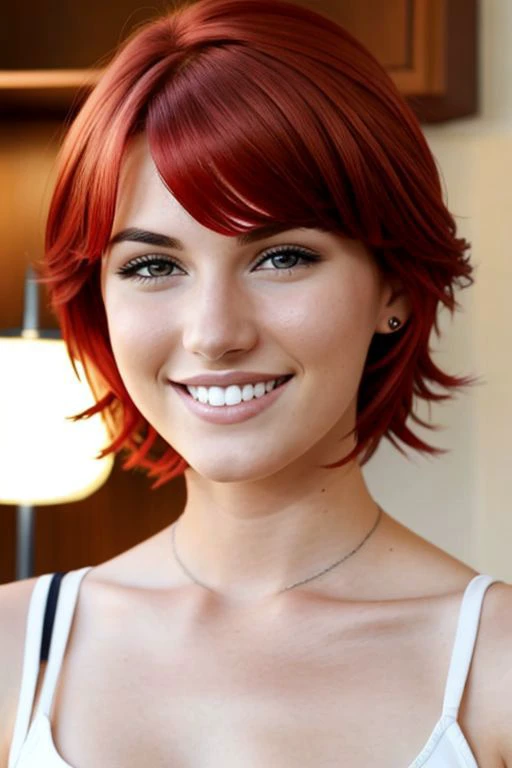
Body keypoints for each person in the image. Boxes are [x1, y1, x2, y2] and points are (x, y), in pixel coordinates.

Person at [1, 0, 511, 765]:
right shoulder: (13, 654)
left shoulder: (494, 671)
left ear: (395, 289)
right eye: (153, 266)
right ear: (99, 300)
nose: (214, 331)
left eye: (281, 257)